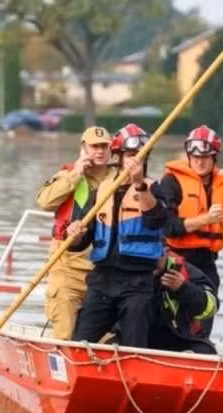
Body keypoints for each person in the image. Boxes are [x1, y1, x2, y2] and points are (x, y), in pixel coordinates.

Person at [66, 123, 167, 348]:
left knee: (134, 346)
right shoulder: (101, 190)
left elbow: (157, 220)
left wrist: (139, 184)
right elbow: (83, 238)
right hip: (102, 279)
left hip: (137, 282)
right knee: (80, 343)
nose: (135, 161)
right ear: (119, 156)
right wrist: (75, 234)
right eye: (131, 155)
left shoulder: (154, 189)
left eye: (140, 155)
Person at [160, 124, 223, 337]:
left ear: (214, 157)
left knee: (201, 327)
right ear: (188, 155)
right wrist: (205, 219)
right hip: (175, 263)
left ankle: (200, 348)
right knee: (171, 326)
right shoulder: (171, 183)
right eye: (195, 156)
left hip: (207, 267)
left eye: (205, 157)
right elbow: (168, 227)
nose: (199, 161)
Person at [35, 126, 117, 339]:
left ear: (111, 149)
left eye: (104, 146)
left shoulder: (120, 178)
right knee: (65, 332)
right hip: (67, 268)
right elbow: (44, 201)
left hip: (104, 270)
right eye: (94, 146)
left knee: (105, 338)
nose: (100, 151)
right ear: (84, 149)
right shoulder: (68, 175)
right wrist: (76, 174)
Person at [148, 251, 219, 354]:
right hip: (137, 339)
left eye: (156, 254)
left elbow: (211, 306)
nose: (152, 260)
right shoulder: (128, 272)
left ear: (166, 251)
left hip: (178, 338)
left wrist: (183, 288)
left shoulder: (182, 269)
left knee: (204, 350)